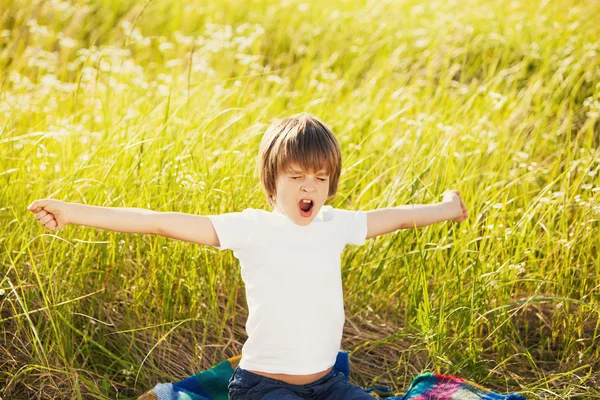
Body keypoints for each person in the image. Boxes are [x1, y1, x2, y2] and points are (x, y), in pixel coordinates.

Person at [27, 113, 468, 399]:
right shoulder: (252, 227)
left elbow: (398, 217)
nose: (308, 187)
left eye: (319, 178)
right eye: (296, 176)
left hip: (330, 384)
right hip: (264, 387)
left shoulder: (336, 224)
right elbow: (159, 220)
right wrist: (72, 213)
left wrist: (449, 208)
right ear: (272, 182)